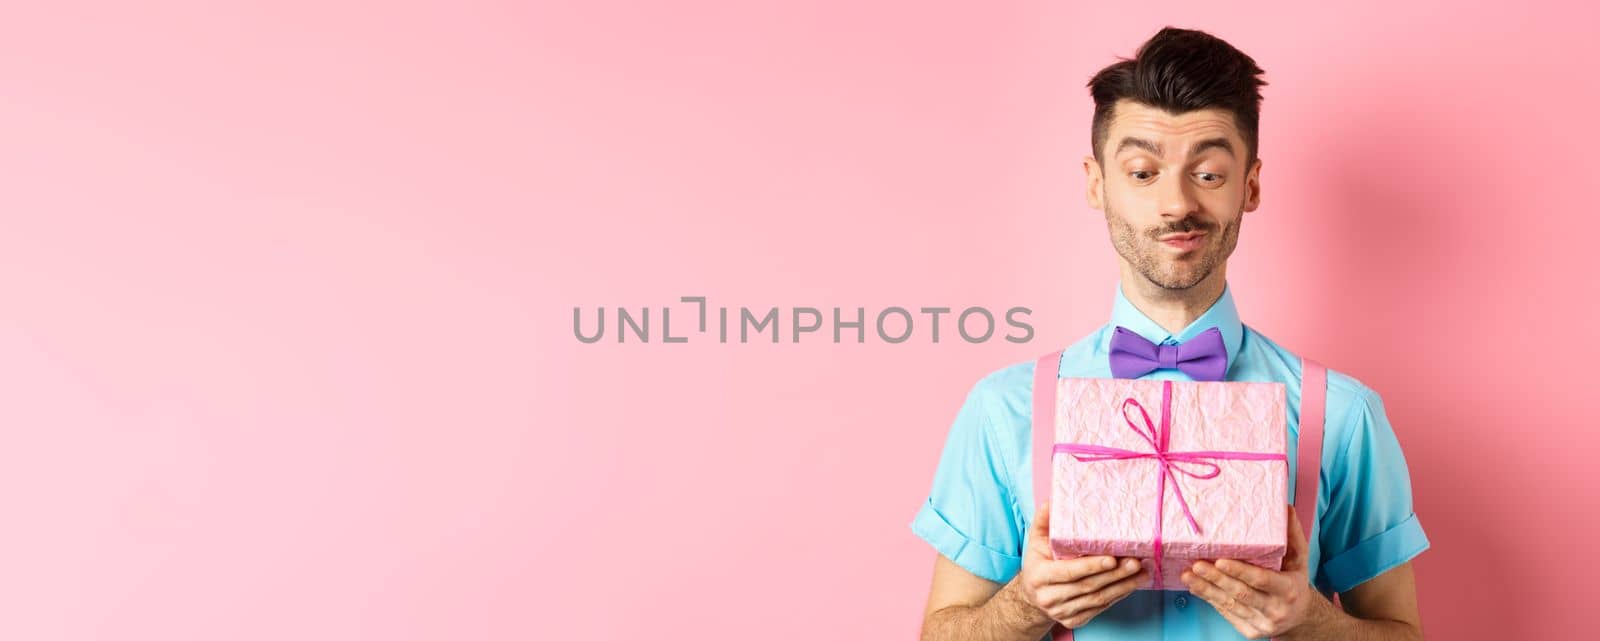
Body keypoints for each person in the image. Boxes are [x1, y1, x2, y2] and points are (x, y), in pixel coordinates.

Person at [911, 26, 1429, 641]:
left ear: (1251, 185)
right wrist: (1027, 603)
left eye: (1208, 173)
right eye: (1142, 171)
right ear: (1097, 182)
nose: (1176, 203)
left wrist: (1310, 622)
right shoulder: (1004, 410)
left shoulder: (1342, 414)